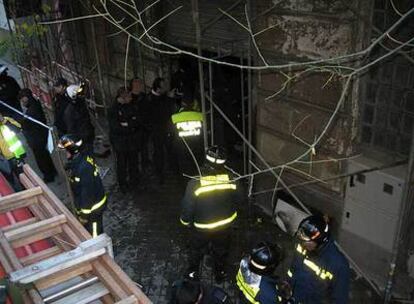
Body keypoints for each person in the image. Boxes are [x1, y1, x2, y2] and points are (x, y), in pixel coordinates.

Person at [180, 146, 240, 283]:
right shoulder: (231, 179)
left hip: (202, 227)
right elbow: (239, 198)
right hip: (225, 225)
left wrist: (185, 222)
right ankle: (220, 273)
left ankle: (193, 273)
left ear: (206, 161)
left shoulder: (195, 183)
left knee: (196, 250)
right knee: (221, 249)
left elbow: (187, 207)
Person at [287, 215, 350, 304]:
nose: (303, 244)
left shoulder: (339, 265)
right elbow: (294, 268)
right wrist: (288, 285)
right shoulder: (302, 246)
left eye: (307, 241)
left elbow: (340, 300)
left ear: (320, 240)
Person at [58, 134, 106, 237]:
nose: (64, 154)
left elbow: (87, 195)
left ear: (72, 151)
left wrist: (84, 215)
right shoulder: (81, 159)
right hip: (90, 205)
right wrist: (71, 165)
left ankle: (98, 251)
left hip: (92, 210)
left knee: (94, 236)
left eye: (66, 151)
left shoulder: (83, 169)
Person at [18, 89, 57, 183]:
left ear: (26, 98)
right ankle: (52, 171)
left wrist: (21, 121)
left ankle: (48, 175)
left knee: (41, 158)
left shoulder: (32, 110)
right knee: (45, 156)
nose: (22, 103)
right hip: (40, 135)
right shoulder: (34, 104)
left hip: (37, 138)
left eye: (22, 100)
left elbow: (25, 124)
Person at [108, 87, 141, 193]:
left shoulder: (131, 106)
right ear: (123, 97)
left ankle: (134, 182)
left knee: (133, 163)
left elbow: (136, 121)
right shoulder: (113, 109)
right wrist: (129, 125)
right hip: (120, 143)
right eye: (129, 97)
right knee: (122, 164)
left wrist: (127, 124)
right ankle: (123, 184)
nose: (131, 98)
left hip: (131, 141)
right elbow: (116, 127)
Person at [146, 77, 178, 184]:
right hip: (157, 131)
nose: (166, 88)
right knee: (158, 153)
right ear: (158, 88)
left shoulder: (164, 97)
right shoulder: (150, 99)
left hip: (167, 129)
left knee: (171, 150)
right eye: (163, 86)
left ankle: (173, 170)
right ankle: (159, 173)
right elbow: (160, 113)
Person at [171, 89, 203, 175]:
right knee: (196, 172)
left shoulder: (175, 117)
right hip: (197, 148)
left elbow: (171, 133)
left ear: (182, 103)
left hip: (181, 148)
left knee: (185, 172)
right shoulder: (200, 116)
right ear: (193, 103)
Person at [63, 83, 95, 153]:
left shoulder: (80, 105)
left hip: (88, 136)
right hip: (82, 141)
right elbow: (71, 129)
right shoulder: (70, 112)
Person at [0, 112, 25, 190]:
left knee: (23, 177)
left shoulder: (7, 120)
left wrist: (4, 121)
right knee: (9, 181)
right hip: (2, 159)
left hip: (16, 155)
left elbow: (18, 128)